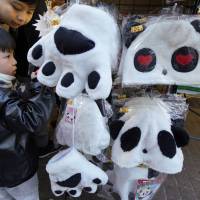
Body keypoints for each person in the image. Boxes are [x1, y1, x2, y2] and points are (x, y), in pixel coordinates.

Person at [0, 28, 54, 200]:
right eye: (7, 57)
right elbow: (32, 119)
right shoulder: (1, 94)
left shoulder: (6, 87)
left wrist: (30, 85)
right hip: (17, 170)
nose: (15, 61)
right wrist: (42, 87)